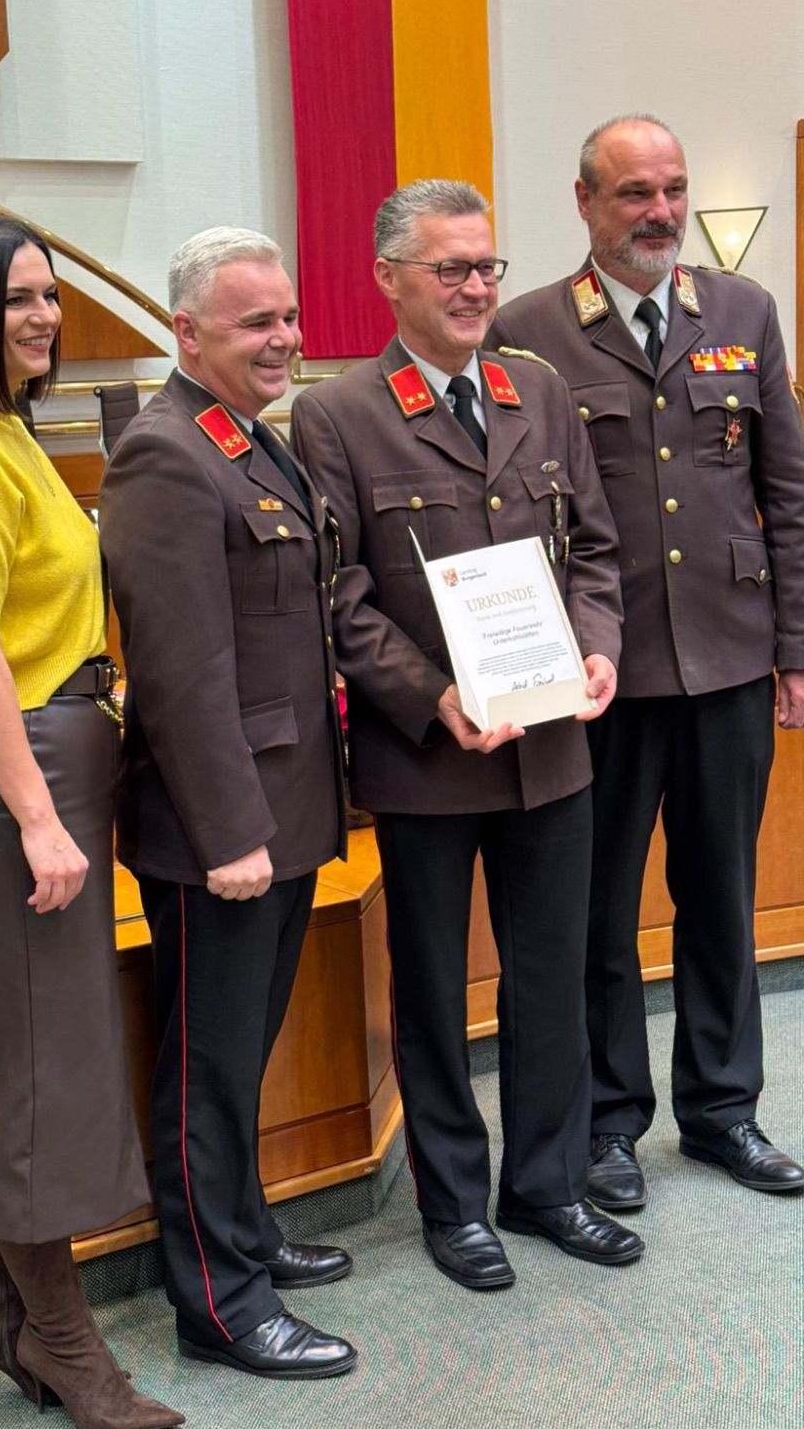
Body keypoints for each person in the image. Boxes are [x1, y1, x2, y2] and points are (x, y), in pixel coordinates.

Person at [291, 179, 642, 1291]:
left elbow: (592, 548)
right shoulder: (336, 413)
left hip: (550, 749)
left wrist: (597, 647)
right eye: (451, 268)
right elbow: (337, 591)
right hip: (429, 757)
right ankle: (455, 1205)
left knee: (552, 975)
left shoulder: (536, 387)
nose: (477, 285)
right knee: (433, 993)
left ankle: (546, 1186)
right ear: (390, 277)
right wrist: (432, 694)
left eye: (487, 265)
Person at [490, 115, 804, 1209]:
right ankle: (607, 1124)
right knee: (599, 911)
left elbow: (787, 489)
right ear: (586, 201)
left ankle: (725, 1109)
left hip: (730, 659)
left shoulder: (741, 312)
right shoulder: (528, 328)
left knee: (722, 896)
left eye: (673, 189)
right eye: (636, 192)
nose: (660, 212)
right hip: (601, 676)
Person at [0, 211, 183, 1429]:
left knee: (10, 1059)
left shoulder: (1, 429)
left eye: (50, 295)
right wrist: (41, 819)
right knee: (43, 1070)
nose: (46, 316)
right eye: (16, 299)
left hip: (49, 758)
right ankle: (64, 1343)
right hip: (21, 774)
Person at [99, 228, 356, 1379]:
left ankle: (240, 1235)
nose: (285, 340)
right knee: (206, 1068)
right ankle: (220, 1302)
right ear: (186, 332)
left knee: (239, 1053)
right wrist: (230, 834)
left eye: (290, 318)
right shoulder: (165, 454)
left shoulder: (249, 442)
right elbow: (182, 669)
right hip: (225, 831)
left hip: (282, 805)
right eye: (257, 323)